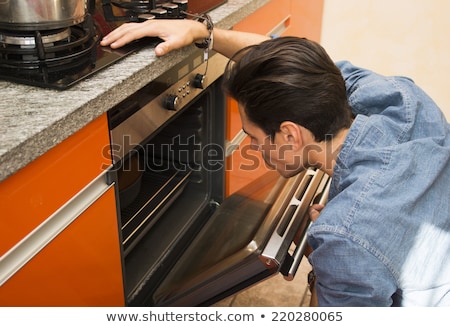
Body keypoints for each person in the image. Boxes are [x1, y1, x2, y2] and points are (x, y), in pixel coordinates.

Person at [101, 19, 450, 306]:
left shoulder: (345, 236)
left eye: (253, 137)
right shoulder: (397, 97)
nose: (253, 149)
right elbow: (293, 69)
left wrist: (321, 262)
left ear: (290, 135)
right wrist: (201, 32)